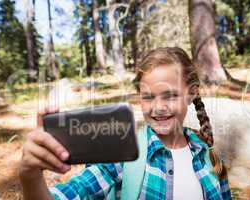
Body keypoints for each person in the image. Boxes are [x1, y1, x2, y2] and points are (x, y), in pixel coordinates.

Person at [19, 47, 232, 200]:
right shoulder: (121, 155)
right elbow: (73, 192)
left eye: (170, 96)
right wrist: (31, 176)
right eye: (148, 97)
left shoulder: (207, 155)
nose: (158, 107)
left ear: (192, 93)